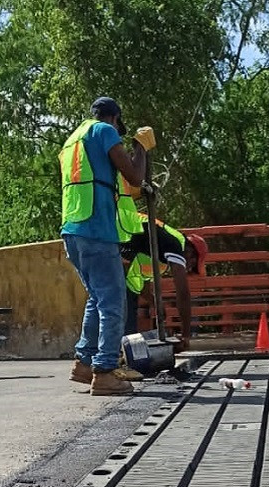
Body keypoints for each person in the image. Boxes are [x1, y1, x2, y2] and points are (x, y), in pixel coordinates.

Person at [59, 97, 155, 396]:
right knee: (113, 301)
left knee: (96, 299)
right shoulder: (103, 131)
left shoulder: (73, 139)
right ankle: (105, 372)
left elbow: (102, 179)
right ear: (114, 118)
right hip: (97, 229)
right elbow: (135, 176)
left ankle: (84, 363)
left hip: (73, 230)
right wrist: (141, 147)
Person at [121, 214, 208, 349]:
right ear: (191, 252)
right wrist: (185, 335)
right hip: (112, 233)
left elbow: (141, 286)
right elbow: (183, 293)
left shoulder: (156, 256)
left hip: (112, 247)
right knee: (120, 312)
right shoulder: (175, 244)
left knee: (126, 324)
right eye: (193, 263)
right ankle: (114, 357)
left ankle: (117, 355)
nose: (188, 267)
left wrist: (155, 302)